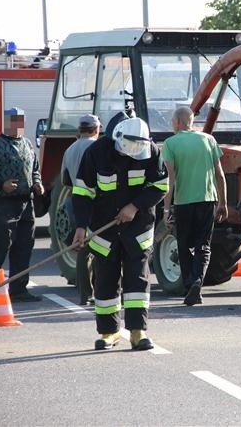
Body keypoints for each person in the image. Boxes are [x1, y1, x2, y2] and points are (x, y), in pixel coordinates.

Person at [72, 113, 168, 351]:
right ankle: (109, 332)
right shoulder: (96, 153)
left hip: (137, 227)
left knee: (138, 279)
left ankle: (138, 332)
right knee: (105, 279)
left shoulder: (150, 151)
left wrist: (134, 206)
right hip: (103, 229)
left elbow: (160, 185)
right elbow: (83, 192)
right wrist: (81, 226)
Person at [0, 107, 45, 301]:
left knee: (24, 245)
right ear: (6, 122)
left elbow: (35, 169)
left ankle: (19, 289)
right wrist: (1, 184)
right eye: (14, 121)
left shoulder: (27, 144)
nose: (18, 125)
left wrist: (37, 183)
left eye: (20, 121)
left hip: (26, 202)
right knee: (3, 243)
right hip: (4, 203)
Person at [162, 106, 227, 307]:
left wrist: (166, 209)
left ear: (178, 122)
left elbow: (169, 180)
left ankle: (191, 283)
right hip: (208, 200)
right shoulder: (208, 140)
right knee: (203, 246)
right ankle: (197, 282)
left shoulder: (170, 143)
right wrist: (223, 203)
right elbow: (220, 175)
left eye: (173, 121)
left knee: (183, 245)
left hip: (183, 203)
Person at [60, 114, 101, 305]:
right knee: (104, 248)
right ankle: (104, 290)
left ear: (80, 130)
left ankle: (85, 294)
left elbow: (65, 181)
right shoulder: (98, 148)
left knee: (83, 250)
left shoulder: (69, 150)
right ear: (97, 129)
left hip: (78, 201)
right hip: (98, 202)